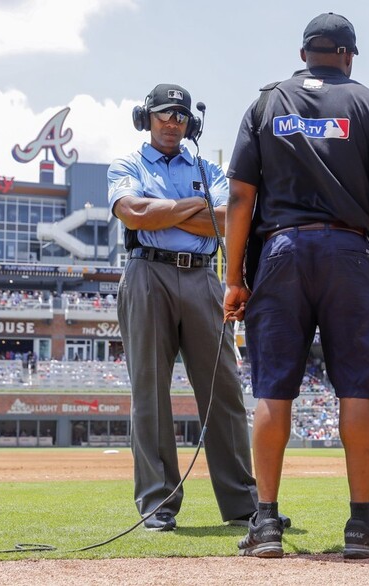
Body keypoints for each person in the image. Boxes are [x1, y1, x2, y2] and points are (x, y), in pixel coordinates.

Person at [224, 13, 369, 559]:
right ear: (348, 54)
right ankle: (359, 525)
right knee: (356, 390)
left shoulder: (265, 104)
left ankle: (266, 524)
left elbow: (239, 200)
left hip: (279, 252)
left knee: (271, 391)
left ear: (305, 53)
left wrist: (233, 279)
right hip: (348, 253)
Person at [107, 83, 261, 532]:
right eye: (164, 113)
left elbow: (234, 216)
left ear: (190, 123)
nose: (172, 122)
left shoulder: (206, 164)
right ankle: (158, 506)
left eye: (180, 115)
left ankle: (242, 505)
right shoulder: (127, 163)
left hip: (201, 275)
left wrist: (165, 211)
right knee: (149, 394)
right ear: (146, 117)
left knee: (224, 391)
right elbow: (134, 213)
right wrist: (197, 209)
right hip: (145, 273)